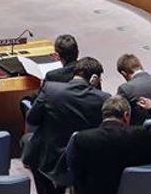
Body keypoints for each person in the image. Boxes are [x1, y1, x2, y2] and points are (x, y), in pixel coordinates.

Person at [22, 57, 110, 194]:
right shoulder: (103, 98)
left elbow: (32, 119)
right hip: (82, 161)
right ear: (94, 78)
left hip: (50, 157)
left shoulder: (51, 89)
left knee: (28, 141)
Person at [67, 95, 151, 194]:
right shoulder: (141, 135)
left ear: (103, 115)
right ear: (126, 115)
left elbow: (76, 175)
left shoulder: (82, 138)